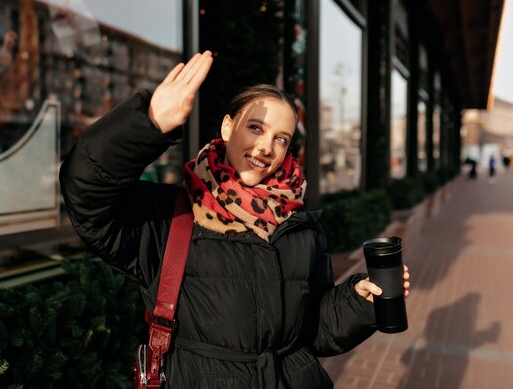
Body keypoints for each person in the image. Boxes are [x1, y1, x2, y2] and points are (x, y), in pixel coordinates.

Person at [59, 51, 411, 388]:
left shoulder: (298, 223)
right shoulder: (171, 217)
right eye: (256, 128)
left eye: (281, 139)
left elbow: (313, 331)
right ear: (228, 127)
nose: (265, 147)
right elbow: (85, 193)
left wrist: (357, 301)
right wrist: (148, 123)